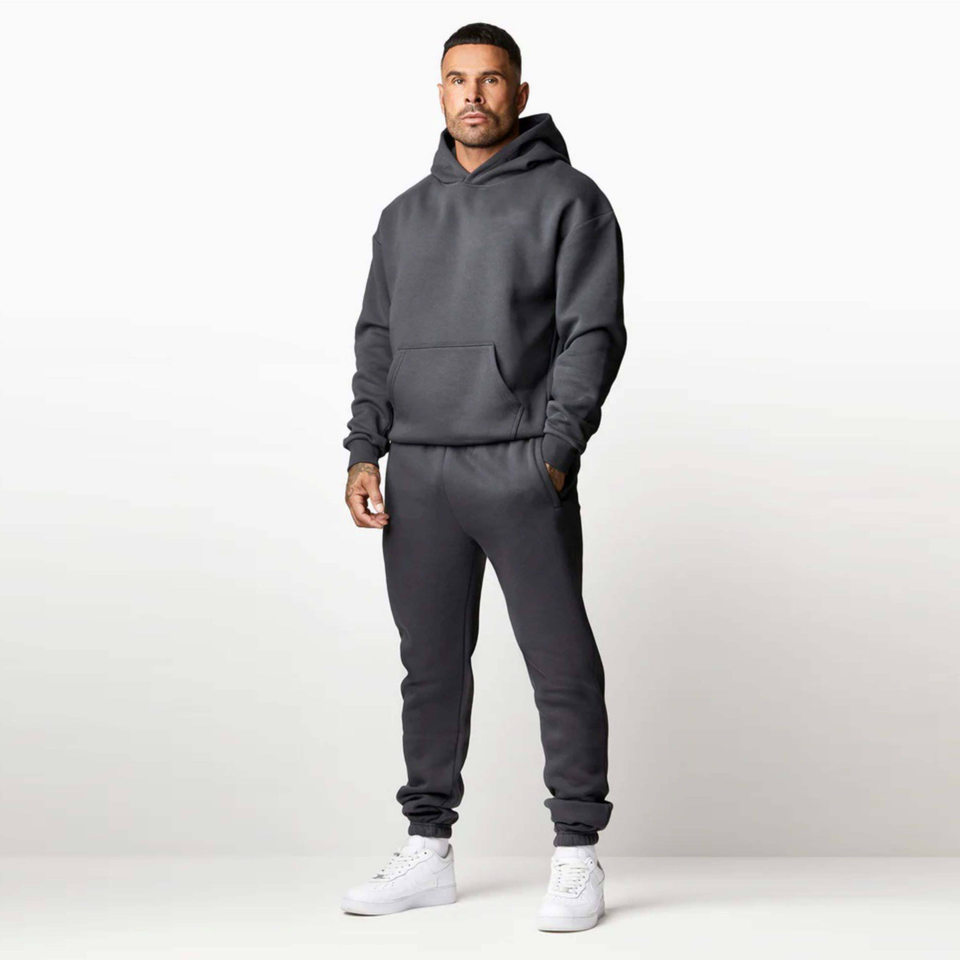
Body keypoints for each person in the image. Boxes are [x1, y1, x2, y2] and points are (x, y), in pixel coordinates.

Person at [339, 22, 626, 932]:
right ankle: (427, 849)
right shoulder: (402, 216)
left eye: (491, 80)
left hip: (517, 462)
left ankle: (576, 854)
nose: (473, 94)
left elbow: (592, 333)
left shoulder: (570, 200)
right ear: (439, 92)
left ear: (519, 93)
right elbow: (376, 339)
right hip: (420, 469)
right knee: (428, 667)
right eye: (458, 79)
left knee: (559, 661)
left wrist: (556, 451)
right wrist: (364, 449)